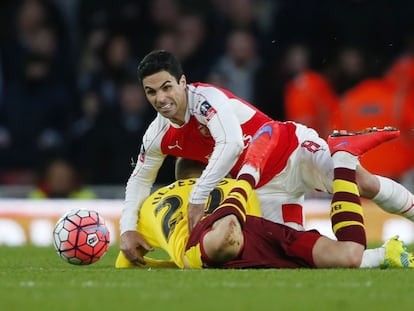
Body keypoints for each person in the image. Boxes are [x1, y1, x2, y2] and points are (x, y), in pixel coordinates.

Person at [120, 49, 414, 264]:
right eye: (151, 92)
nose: (161, 98)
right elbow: (139, 179)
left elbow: (232, 143)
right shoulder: (157, 134)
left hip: (292, 151)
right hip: (263, 190)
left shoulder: (208, 101)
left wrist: (198, 196)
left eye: (166, 87)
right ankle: (385, 257)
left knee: (364, 184)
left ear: (182, 82)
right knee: (296, 258)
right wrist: (128, 229)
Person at [116, 129, 414, 269]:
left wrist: (172, 263)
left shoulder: (150, 204)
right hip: (256, 227)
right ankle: (344, 158)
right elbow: (276, 214)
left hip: (210, 247)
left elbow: (126, 263)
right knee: (350, 254)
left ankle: (254, 169)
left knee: (349, 254)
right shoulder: (225, 180)